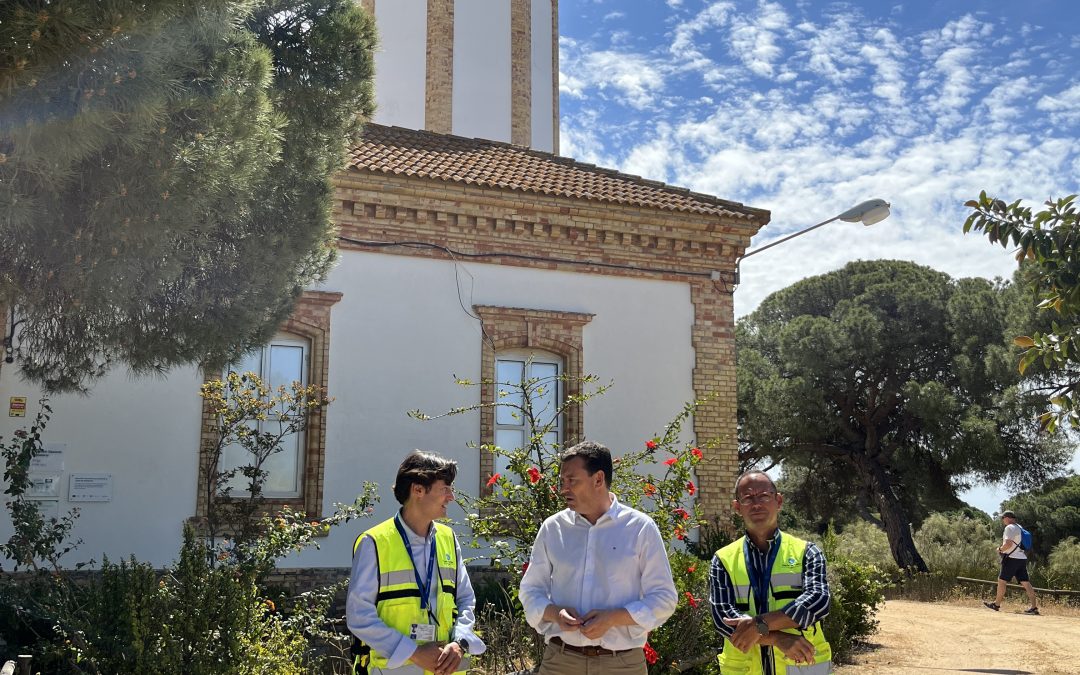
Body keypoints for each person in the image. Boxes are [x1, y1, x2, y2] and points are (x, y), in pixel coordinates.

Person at [519, 440, 678, 675]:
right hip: (561, 662)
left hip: (622, 665)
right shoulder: (553, 528)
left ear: (598, 479)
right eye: (563, 481)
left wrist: (613, 619)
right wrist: (555, 614)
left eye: (572, 481)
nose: (564, 489)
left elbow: (664, 599)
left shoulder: (640, 528)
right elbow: (530, 591)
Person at [347, 450, 485, 675]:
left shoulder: (448, 538)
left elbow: (466, 599)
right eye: (445, 489)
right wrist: (413, 652)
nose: (451, 496)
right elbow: (359, 615)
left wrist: (460, 642)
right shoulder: (374, 543)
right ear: (418, 489)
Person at [709, 471, 832, 674]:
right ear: (737, 507)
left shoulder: (807, 552)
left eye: (764, 496)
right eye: (747, 498)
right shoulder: (723, 560)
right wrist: (778, 638)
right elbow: (724, 620)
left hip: (803, 666)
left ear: (778, 501)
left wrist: (759, 625)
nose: (756, 504)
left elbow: (817, 602)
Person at [983, 510, 1038, 615]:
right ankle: (1034, 607)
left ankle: (996, 604)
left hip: (1011, 558)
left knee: (1002, 581)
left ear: (1007, 518)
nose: (1002, 520)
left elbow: (1008, 544)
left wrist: (1000, 549)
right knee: (1026, 582)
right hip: (1021, 558)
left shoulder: (1009, 528)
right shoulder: (1019, 527)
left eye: (1003, 518)